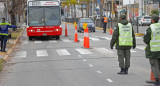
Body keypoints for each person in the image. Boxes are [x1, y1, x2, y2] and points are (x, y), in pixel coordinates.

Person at [143, 14, 160, 86]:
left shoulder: (151, 28)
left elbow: (146, 40)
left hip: (154, 50)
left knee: (154, 65)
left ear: (152, 20)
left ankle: (157, 80)